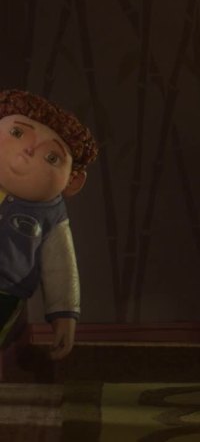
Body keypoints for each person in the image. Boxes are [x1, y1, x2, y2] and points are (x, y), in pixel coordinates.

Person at [0, 89, 98, 360]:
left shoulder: (51, 215)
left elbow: (60, 265)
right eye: (17, 133)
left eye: (52, 157)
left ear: (72, 181)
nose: (29, 149)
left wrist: (64, 313)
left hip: (5, 294)